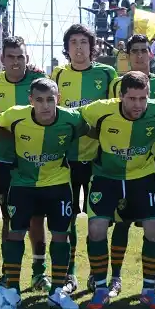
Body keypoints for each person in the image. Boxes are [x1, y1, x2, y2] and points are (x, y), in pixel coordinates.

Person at [78, 71, 155, 309]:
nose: (137, 104)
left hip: (143, 177)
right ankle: (100, 289)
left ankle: (149, 290)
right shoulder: (100, 110)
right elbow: (74, 119)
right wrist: (96, 133)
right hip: (106, 177)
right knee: (96, 228)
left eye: (142, 98)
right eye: (131, 98)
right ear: (121, 96)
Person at [0, 78, 88, 309]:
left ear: (58, 99)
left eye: (50, 99)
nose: (45, 105)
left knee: (61, 235)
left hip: (58, 184)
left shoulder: (72, 118)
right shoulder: (14, 115)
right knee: (15, 233)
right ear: (31, 100)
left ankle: (57, 291)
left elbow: (87, 130)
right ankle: (13, 289)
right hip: (22, 184)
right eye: (39, 100)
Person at [50, 24, 116, 294]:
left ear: (92, 46)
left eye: (84, 42)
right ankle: (70, 274)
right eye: (73, 42)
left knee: (98, 220)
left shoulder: (107, 73)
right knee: (66, 219)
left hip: (97, 159)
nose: (79, 47)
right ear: (67, 48)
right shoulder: (57, 74)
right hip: (65, 159)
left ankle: (97, 275)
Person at [106, 34, 155, 298]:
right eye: (135, 51)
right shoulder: (116, 84)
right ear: (128, 55)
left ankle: (153, 278)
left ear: (151, 54)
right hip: (122, 162)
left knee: (153, 221)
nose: (140, 55)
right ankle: (115, 277)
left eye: (145, 50)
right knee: (120, 222)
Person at [0, 37, 47, 289]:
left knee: (36, 218)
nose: (16, 62)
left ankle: (39, 272)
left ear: (27, 58)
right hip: (7, 161)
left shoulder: (39, 80)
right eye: (11, 57)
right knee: (9, 217)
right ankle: (8, 271)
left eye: (20, 57)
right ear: (2, 59)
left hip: (36, 162)